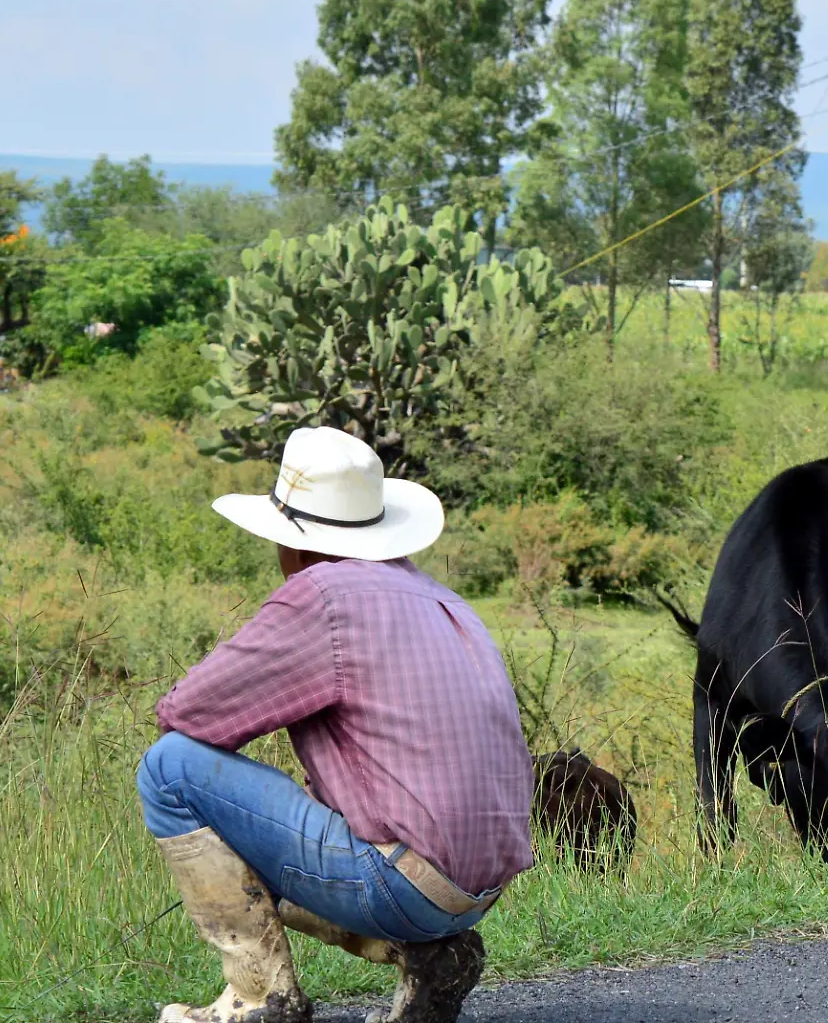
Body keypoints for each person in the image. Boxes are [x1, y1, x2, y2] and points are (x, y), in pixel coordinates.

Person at [137, 426, 534, 1023]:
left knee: (169, 767)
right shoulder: (444, 599)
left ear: (292, 544)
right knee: (313, 810)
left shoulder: (321, 594)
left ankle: (259, 995)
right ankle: (427, 955)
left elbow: (187, 714)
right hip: (474, 894)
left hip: (399, 883)